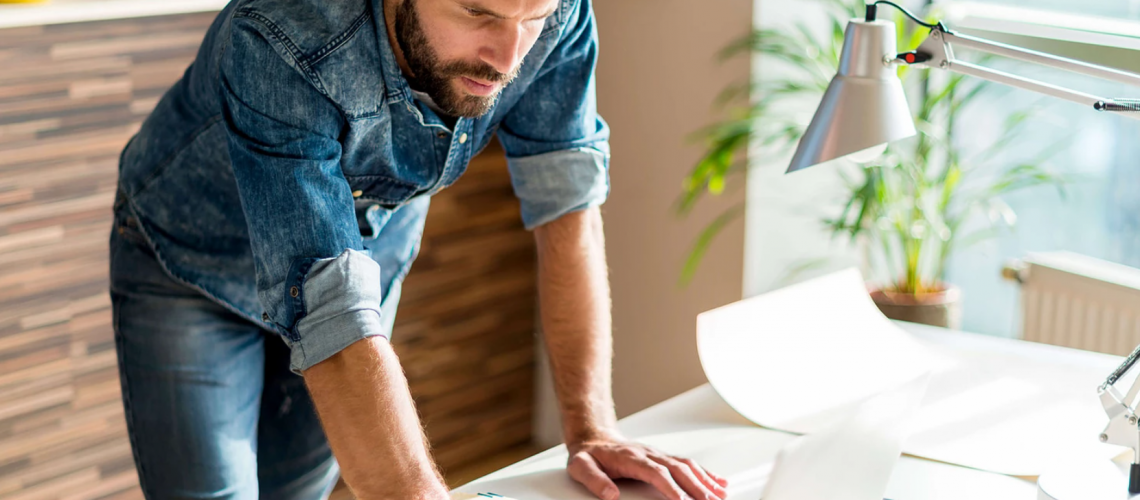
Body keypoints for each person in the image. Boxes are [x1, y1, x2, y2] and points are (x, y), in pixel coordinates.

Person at [109, 0, 730, 498]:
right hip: (193, 267)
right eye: (477, 12)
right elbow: (326, 303)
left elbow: (567, 210)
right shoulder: (280, 31)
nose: (507, 57)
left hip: (364, 260)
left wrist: (592, 429)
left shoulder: (556, 18)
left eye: (531, 19)